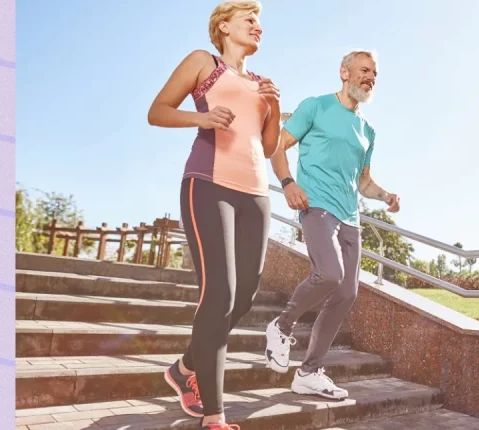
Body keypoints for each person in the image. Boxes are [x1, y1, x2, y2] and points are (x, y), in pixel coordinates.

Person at [147, 1, 280, 428]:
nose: (258, 27)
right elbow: (158, 111)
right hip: (208, 183)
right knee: (219, 293)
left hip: (256, 192)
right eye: (250, 19)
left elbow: (270, 145)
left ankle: (185, 367)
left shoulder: (261, 82)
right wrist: (201, 117)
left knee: (245, 295)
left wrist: (274, 109)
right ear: (224, 25)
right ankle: (214, 416)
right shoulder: (204, 62)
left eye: (260, 22)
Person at [264, 50, 400, 400]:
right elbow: (278, 146)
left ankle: (308, 372)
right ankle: (281, 326)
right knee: (329, 274)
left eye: (375, 73)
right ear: (344, 72)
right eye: (364, 70)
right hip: (316, 206)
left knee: (346, 292)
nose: (370, 77)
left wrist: (385, 195)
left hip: (350, 217)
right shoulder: (316, 106)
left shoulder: (367, 130)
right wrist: (288, 183)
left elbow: (364, 181)